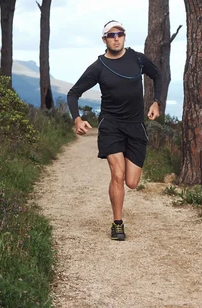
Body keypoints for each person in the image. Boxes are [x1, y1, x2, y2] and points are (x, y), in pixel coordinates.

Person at [67, 20, 163, 241]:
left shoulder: (137, 58)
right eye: (111, 35)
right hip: (111, 125)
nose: (116, 38)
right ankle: (117, 224)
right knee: (117, 175)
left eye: (120, 34)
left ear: (124, 37)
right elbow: (73, 93)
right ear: (104, 39)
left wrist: (156, 102)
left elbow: (157, 75)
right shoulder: (98, 67)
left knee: (132, 182)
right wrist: (77, 119)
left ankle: (118, 214)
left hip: (136, 125)